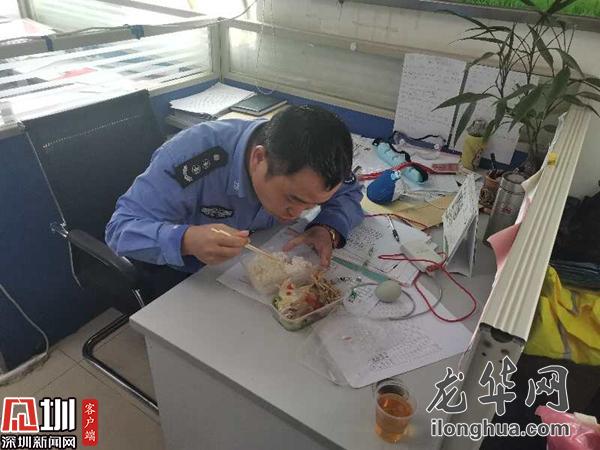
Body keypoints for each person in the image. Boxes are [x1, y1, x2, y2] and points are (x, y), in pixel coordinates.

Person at [105, 104, 364, 274]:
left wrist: (327, 227)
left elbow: (350, 192)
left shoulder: (316, 170)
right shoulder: (193, 157)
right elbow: (119, 230)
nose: (297, 214)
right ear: (259, 159)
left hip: (248, 266)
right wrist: (185, 240)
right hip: (193, 276)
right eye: (292, 199)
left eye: (312, 205)